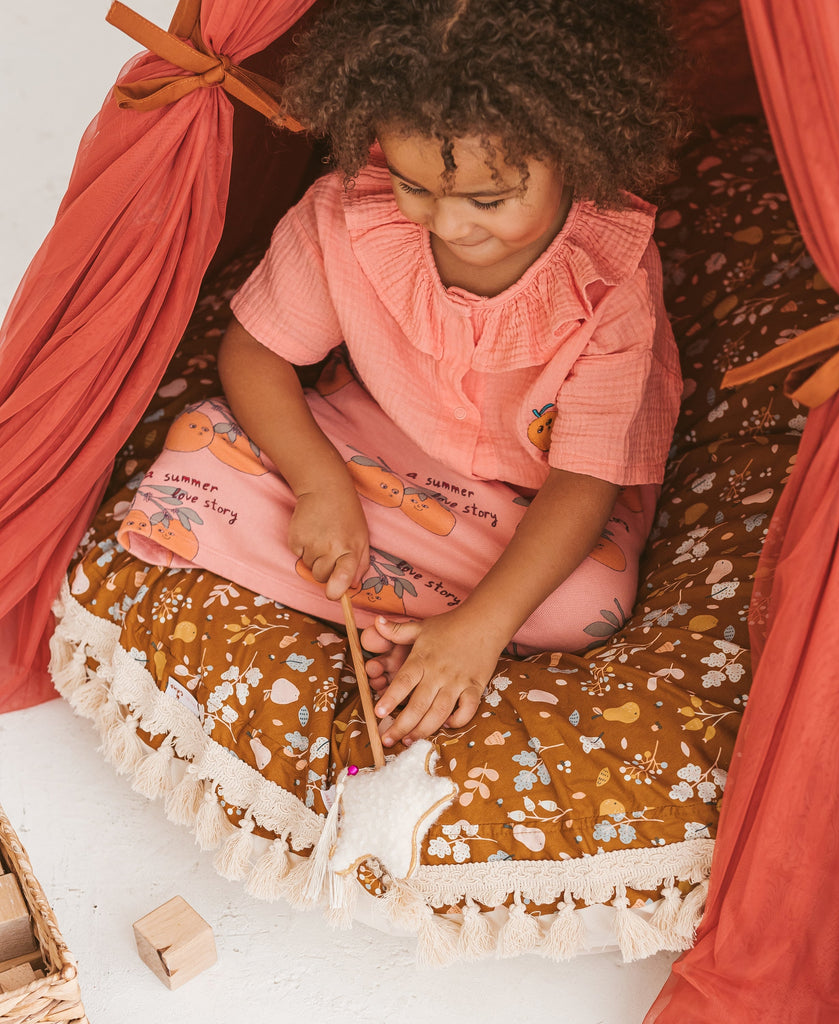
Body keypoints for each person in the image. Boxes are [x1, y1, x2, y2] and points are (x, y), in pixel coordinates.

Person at [118, 0, 686, 754]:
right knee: (198, 444)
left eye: (488, 199)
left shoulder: (613, 282)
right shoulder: (347, 215)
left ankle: (452, 630)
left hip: (540, 505)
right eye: (417, 187)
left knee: (589, 603)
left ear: (576, 151)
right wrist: (319, 486)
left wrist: (483, 627)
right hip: (374, 449)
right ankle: (431, 625)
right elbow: (255, 353)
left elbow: (585, 482)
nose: (448, 225)